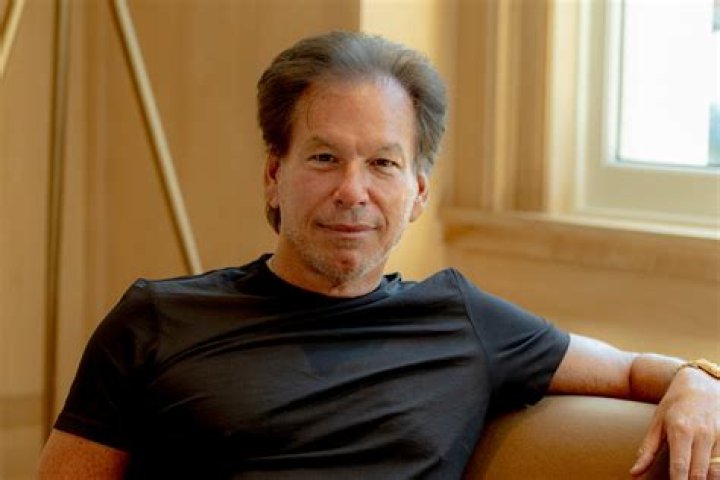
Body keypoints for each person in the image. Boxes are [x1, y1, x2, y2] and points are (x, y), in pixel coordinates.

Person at [38, 31, 718, 479]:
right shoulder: (156, 320)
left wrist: (696, 381)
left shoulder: (462, 321)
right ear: (273, 175)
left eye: (383, 163)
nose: (352, 191)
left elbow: (630, 370)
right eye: (324, 158)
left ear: (417, 192)